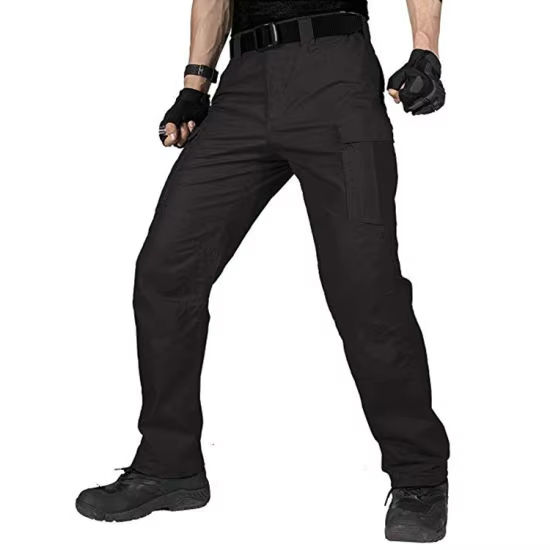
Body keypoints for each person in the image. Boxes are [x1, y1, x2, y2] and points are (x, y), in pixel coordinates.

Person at [76, 0, 450, 542]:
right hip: (244, 87)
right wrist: (195, 86)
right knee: (166, 271)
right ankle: (169, 464)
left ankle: (419, 477)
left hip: (336, 77)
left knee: (365, 288)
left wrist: (425, 52)